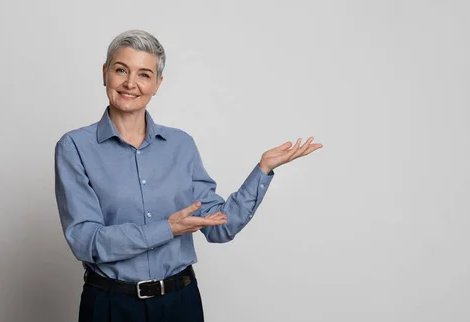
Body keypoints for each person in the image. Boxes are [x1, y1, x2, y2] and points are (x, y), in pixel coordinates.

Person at [54, 29, 322, 322]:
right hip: (110, 306)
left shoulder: (181, 145)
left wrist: (263, 170)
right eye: (121, 70)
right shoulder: (75, 147)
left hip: (180, 304)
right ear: (105, 73)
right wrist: (167, 228)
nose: (130, 83)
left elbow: (219, 227)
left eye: (144, 74)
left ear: (158, 84)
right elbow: (86, 241)